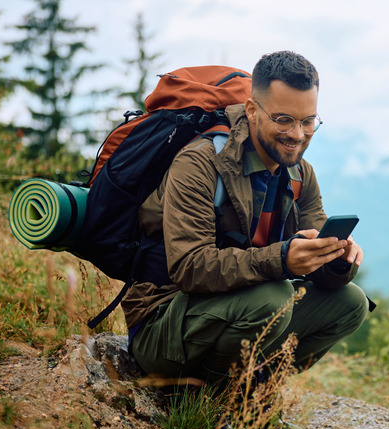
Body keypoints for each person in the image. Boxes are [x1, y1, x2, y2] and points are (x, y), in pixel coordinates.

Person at [122, 51, 370, 389]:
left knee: (350, 303)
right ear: (252, 110)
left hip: (243, 309)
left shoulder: (300, 174)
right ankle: (207, 399)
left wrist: (337, 259)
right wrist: (282, 259)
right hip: (163, 322)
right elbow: (189, 267)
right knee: (273, 297)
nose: (297, 135)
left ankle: (251, 394)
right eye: (284, 120)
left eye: (308, 121)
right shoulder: (200, 164)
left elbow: (321, 273)